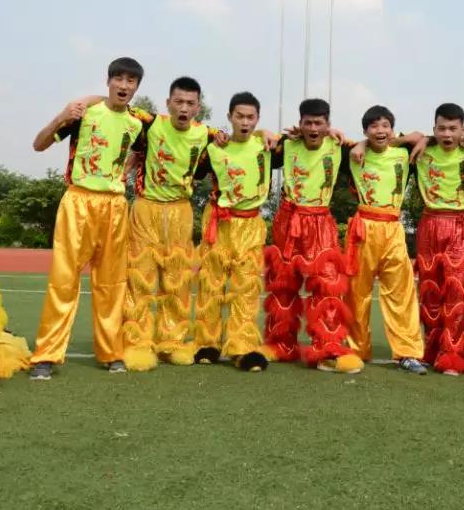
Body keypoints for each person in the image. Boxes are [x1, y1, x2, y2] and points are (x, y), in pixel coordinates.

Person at [27, 57, 145, 380]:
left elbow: (156, 142)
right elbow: (38, 145)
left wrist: (129, 168)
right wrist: (62, 116)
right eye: (118, 79)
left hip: (115, 207)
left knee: (111, 283)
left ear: (137, 87)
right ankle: (46, 355)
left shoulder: (138, 123)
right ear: (108, 81)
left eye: (131, 81)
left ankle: (111, 352)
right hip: (78, 201)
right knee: (64, 280)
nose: (124, 85)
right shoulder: (83, 113)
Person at [122, 76, 222, 369]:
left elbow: (247, 136)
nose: (184, 108)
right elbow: (116, 105)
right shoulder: (150, 124)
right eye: (178, 101)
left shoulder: (208, 135)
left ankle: (172, 342)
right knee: (140, 278)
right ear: (168, 103)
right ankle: (137, 342)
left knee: (177, 280)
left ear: (198, 107)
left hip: (181, 210)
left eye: (190, 103)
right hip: (146, 208)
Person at [262, 98, 363, 374]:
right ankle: (280, 344)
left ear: (328, 125)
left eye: (319, 123)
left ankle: (328, 349)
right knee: (283, 285)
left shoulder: (340, 146)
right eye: (308, 123)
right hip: (288, 220)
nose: (313, 128)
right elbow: (256, 140)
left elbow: (374, 144)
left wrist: (362, 143)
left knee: (328, 286)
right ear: (300, 124)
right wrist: (266, 132)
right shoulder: (287, 145)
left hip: (320, 221)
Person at [191, 92, 278, 372]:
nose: (245, 122)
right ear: (229, 117)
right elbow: (189, 164)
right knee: (211, 284)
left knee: (246, 287)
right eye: (239, 116)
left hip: (250, 224)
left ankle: (242, 347)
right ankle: (207, 344)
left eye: (251, 117)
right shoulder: (214, 148)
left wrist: (267, 132)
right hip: (219, 222)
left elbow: (307, 138)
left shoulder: (268, 146)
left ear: (258, 119)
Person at [341, 106, 427, 375]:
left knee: (401, 293)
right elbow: (330, 137)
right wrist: (361, 144)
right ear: (365, 130)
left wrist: (398, 139)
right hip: (363, 229)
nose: (380, 131)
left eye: (385, 126)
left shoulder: (404, 153)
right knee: (356, 293)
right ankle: (356, 349)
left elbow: (420, 136)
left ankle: (407, 353)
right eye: (374, 127)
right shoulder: (352, 154)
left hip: (393, 229)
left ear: (392, 129)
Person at [413, 103, 464, 375]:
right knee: (430, 290)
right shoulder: (420, 151)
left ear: (463, 129)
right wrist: (422, 138)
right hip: (429, 223)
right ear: (433, 129)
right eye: (441, 128)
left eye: (453, 129)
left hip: (460, 224)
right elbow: (386, 138)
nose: (447, 134)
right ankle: (432, 350)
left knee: (457, 291)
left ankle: (453, 354)